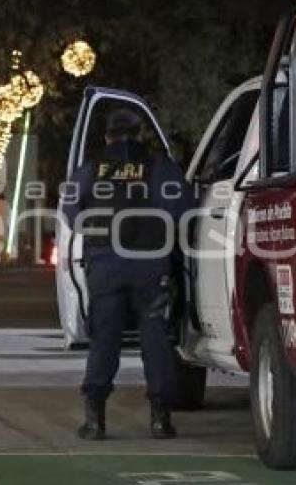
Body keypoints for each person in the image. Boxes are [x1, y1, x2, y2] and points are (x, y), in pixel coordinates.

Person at [61, 108, 196, 440]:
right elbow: (184, 210)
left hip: (105, 267)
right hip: (150, 266)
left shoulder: (91, 169)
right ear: (139, 134)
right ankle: (160, 420)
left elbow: (71, 213)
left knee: (104, 341)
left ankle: (95, 421)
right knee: (156, 342)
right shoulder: (158, 167)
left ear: (107, 135)